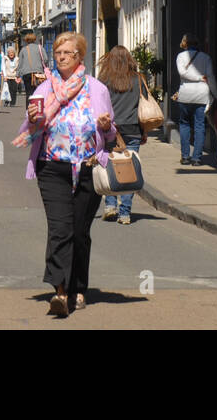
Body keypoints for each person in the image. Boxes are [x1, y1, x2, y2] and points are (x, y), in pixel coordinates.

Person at [14, 31, 117, 316]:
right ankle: (60, 292)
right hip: (52, 168)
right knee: (60, 229)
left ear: (79, 57)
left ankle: (79, 287)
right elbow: (30, 130)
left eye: (67, 53)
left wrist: (107, 126)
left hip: (88, 169)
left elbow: (110, 137)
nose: (60, 57)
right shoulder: (44, 90)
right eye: (57, 52)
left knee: (80, 232)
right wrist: (32, 119)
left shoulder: (97, 90)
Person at [98, 45, 146, 225]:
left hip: (110, 129)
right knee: (129, 171)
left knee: (110, 167)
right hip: (133, 128)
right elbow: (142, 106)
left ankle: (110, 205)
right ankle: (125, 213)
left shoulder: (104, 79)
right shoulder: (138, 79)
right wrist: (144, 131)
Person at [175, 34, 215, 166]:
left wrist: (196, 77)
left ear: (184, 43)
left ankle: (185, 156)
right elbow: (209, 76)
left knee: (185, 124)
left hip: (185, 93)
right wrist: (215, 94)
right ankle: (197, 158)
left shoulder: (180, 57)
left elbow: (182, 72)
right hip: (201, 94)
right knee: (199, 125)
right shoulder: (206, 57)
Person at [16, 32, 48, 98]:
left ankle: (29, 107)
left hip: (27, 74)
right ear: (34, 39)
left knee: (29, 93)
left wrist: (18, 74)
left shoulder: (23, 50)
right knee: (39, 93)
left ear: (26, 40)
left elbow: (20, 63)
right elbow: (45, 59)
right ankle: (38, 106)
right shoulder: (40, 48)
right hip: (38, 73)